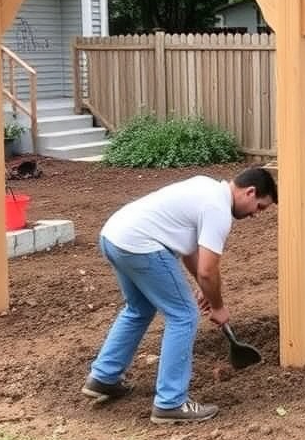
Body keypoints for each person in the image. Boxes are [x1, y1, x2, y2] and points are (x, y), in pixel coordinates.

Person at [81, 167, 277, 423]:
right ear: (250, 192)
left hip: (114, 236)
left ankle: (103, 378)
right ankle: (171, 402)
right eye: (259, 207)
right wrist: (218, 306)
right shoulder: (218, 210)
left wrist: (205, 290)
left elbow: (190, 251)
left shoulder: (205, 187)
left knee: (139, 309)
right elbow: (208, 271)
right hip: (141, 246)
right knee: (183, 315)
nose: (255, 215)